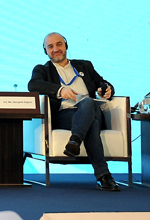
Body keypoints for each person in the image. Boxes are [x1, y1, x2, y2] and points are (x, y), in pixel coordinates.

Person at [27, 32, 120, 192]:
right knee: (92, 122)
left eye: (59, 44)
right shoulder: (43, 69)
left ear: (66, 46)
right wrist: (60, 90)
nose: (55, 49)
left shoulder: (85, 66)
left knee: (89, 103)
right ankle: (103, 176)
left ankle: (75, 141)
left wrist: (107, 90)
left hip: (91, 110)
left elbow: (103, 83)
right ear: (46, 51)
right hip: (65, 116)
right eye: (50, 46)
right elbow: (33, 85)